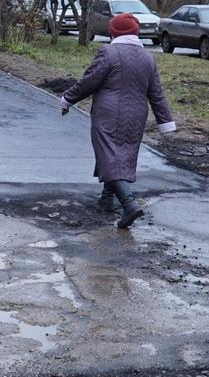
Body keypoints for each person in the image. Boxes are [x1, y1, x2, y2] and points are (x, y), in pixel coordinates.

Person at [61, 13, 177, 229]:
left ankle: (129, 204)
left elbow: (89, 81)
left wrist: (67, 99)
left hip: (109, 114)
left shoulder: (109, 52)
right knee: (119, 155)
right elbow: (156, 93)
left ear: (114, 31)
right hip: (137, 115)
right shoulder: (148, 57)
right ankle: (107, 199)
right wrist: (166, 122)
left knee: (108, 155)